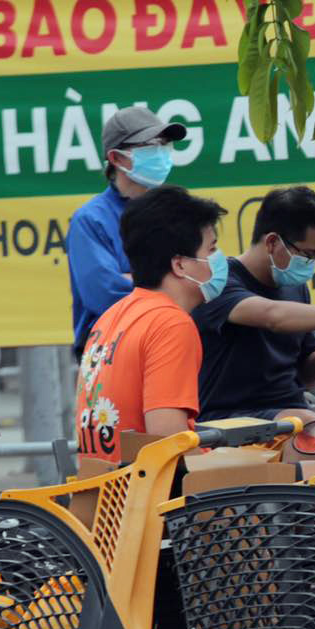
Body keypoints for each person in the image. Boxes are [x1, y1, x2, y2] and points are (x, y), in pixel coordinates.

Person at [195, 186, 315, 422]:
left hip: (290, 417)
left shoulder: (295, 288)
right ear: (273, 242)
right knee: (307, 426)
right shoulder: (219, 283)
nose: (311, 264)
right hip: (229, 421)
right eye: (307, 255)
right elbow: (273, 317)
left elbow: (306, 379)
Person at [74, 186, 227, 462]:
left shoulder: (111, 317)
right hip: (153, 497)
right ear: (180, 265)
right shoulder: (170, 324)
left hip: (107, 492)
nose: (220, 260)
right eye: (211, 249)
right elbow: (167, 439)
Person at [68, 106, 188, 356]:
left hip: (172, 342)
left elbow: (204, 277)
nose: (161, 152)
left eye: (164, 144)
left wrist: (135, 279)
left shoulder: (178, 211)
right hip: (112, 352)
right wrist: (174, 282)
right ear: (116, 158)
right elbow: (105, 294)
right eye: (149, 146)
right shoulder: (90, 220)